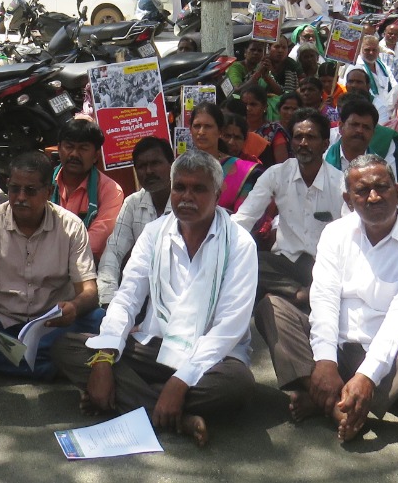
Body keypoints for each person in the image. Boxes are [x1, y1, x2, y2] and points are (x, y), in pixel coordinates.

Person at [54, 151, 258, 448]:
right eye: (180, 187)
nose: (187, 197)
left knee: (238, 385)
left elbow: (229, 328)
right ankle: (171, 415)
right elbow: (127, 299)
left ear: (218, 193)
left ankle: (136, 399)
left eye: (198, 189)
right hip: (155, 346)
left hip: (212, 358)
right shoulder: (154, 234)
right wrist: (103, 358)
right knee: (67, 346)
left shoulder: (239, 244)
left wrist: (179, 382)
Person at [252, 154, 398, 442]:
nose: (373, 197)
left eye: (382, 188)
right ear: (348, 200)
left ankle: (333, 399)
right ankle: (339, 404)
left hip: (391, 359)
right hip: (338, 349)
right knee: (271, 307)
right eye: (362, 191)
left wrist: (367, 376)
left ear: (397, 191)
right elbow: (324, 299)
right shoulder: (335, 233)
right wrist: (324, 361)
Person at [0, 151, 103, 379]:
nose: (20, 197)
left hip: (49, 325)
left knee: (98, 320)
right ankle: (51, 368)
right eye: (14, 188)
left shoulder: (71, 227)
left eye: (30, 190)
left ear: (48, 192)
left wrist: (74, 308)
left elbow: (89, 291)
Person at [233, 108, 346, 301]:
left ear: (325, 144)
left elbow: (351, 231)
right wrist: (222, 244)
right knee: (247, 261)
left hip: (324, 265)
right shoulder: (276, 174)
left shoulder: (339, 183)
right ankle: (299, 293)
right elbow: (245, 217)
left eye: (311, 137)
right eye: (298, 137)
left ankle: (295, 293)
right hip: (283, 262)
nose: (303, 143)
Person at [97, 138, 173, 304]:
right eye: (142, 166)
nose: (149, 171)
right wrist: (108, 298)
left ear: (171, 164)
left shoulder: (185, 203)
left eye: (155, 163)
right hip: (140, 298)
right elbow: (113, 252)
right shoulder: (133, 203)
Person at [54, 118, 126, 258]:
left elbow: (95, 243)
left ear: (96, 155)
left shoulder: (111, 190)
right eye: (69, 146)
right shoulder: (44, 182)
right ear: (59, 148)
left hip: (86, 266)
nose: (74, 154)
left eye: (83, 148)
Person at [188, 103, 263, 213]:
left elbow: (247, 215)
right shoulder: (183, 166)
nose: (201, 132)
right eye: (197, 126)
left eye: (208, 126)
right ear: (190, 129)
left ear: (220, 131)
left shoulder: (242, 171)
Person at [324, 97, 398, 182]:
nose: (360, 130)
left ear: (373, 133)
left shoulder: (380, 168)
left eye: (366, 127)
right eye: (354, 125)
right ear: (341, 127)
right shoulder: (323, 160)